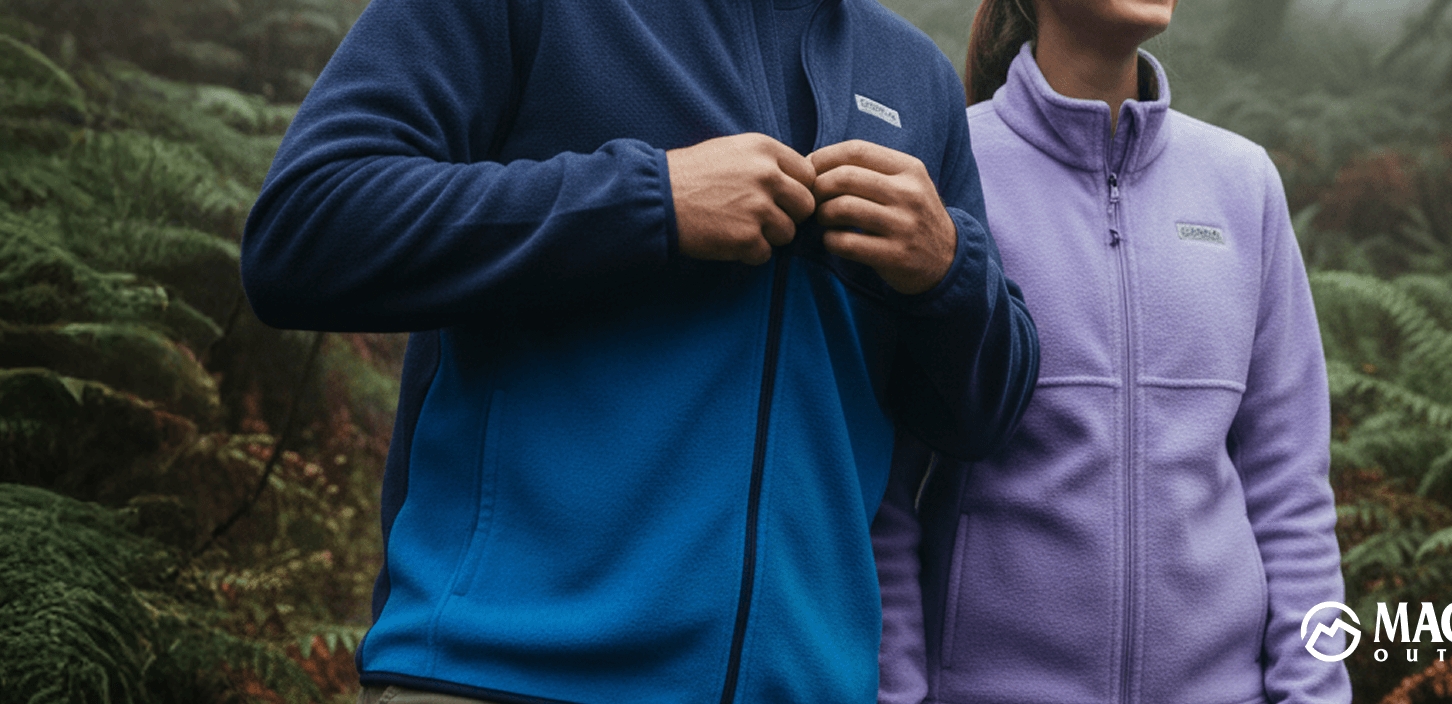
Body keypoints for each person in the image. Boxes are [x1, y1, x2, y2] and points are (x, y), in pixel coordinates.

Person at [239, 0, 1040, 702]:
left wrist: (946, 271)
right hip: (501, 675)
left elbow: (979, 417)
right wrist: (649, 199)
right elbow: (304, 231)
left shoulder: (914, 77)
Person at [873, 0, 1351, 702]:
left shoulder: (1241, 182)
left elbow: (1293, 494)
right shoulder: (944, 175)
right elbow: (882, 491)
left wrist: (1316, 692)